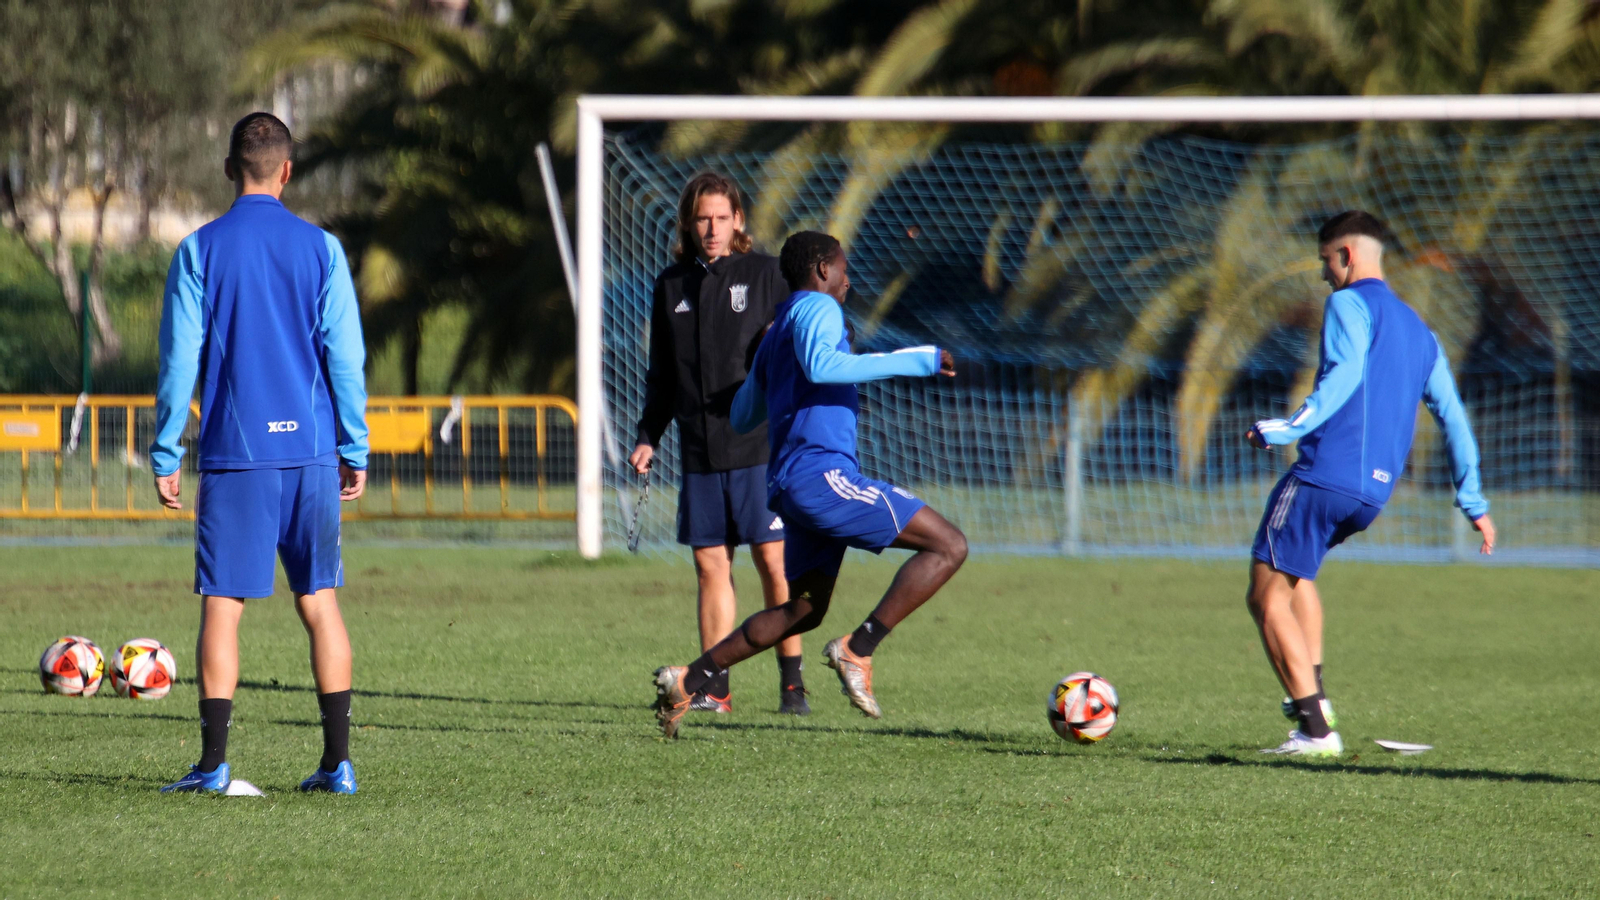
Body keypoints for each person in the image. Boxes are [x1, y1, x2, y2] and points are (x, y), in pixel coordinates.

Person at [650, 231, 967, 739]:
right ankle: (858, 649)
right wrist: (922, 358)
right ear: (821, 269)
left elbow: (740, 414)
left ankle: (691, 678)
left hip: (789, 485)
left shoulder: (778, 332)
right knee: (948, 545)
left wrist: (768, 370)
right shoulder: (817, 310)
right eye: (842, 269)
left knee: (802, 609)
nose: (848, 279)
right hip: (823, 476)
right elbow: (823, 366)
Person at [149, 112, 369, 793]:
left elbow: (178, 361)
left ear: (228, 168)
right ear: (288, 171)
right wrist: (353, 444)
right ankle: (338, 765)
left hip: (235, 454)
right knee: (320, 602)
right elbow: (347, 357)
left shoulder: (199, 249)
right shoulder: (323, 249)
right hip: (308, 454)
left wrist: (164, 453)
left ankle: (213, 767)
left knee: (223, 607)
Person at [1244, 210, 1495, 757]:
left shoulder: (1346, 304)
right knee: (1296, 576)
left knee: (1264, 597)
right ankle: (1317, 703)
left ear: (1346, 256)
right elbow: (1453, 416)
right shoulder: (1421, 333)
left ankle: (1314, 728)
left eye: (1325, 263)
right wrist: (1473, 499)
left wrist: (1288, 427)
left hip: (1323, 476)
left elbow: (1345, 373)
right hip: (1372, 495)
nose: (1323, 277)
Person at [631, 172, 808, 715]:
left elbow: (798, 347)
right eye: (702, 218)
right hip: (698, 450)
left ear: (739, 222)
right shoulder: (670, 286)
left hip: (758, 447)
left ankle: (792, 685)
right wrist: (647, 436)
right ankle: (715, 685)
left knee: (773, 565)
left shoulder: (766, 274)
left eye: (721, 218)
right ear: (689, 222)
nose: (711, 228)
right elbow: (662, 374)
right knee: (711, 565)